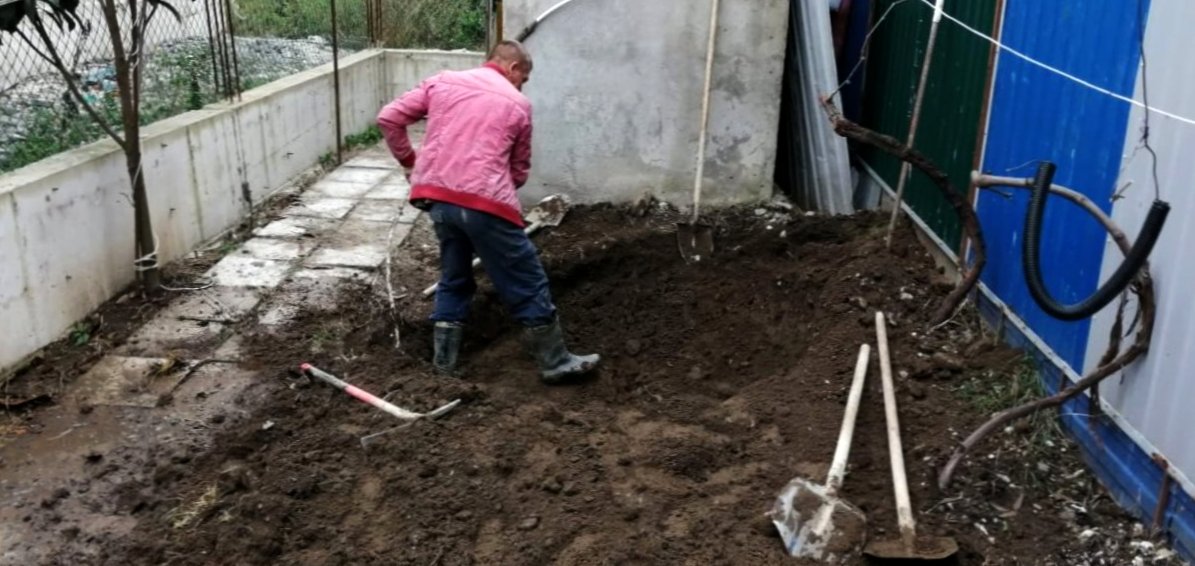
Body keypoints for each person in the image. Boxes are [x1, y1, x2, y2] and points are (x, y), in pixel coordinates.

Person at [376, 40, 600, 384]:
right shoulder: (518, 104)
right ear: (513, 68)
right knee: (526, 277)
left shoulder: (443, 82)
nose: (522, 86)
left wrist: (410, 162)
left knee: (454, 278)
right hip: (486, 206)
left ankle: (443, 367)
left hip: (439, 201)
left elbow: (389, 118)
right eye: (523, 78)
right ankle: (555, 361)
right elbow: (518, 172)